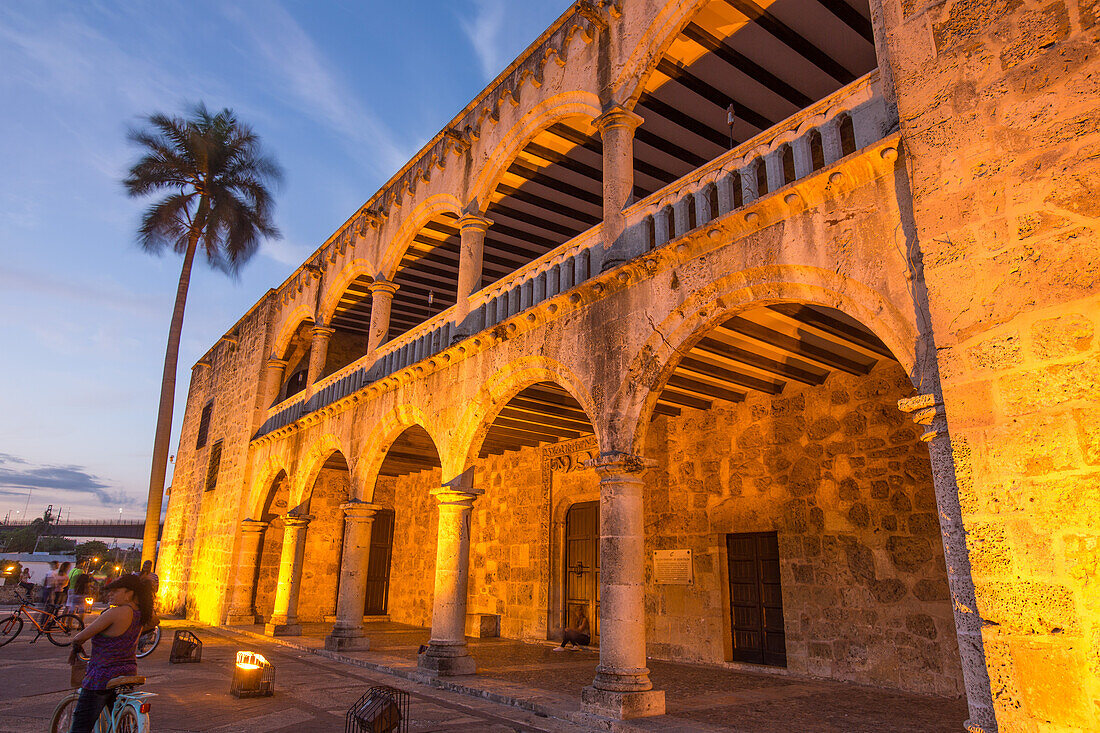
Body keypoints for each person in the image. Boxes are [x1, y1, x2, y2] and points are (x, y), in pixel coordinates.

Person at [66, 575, 153, 733]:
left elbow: (81, 636)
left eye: (115, 591)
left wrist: (76, 645)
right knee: (119, 722)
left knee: (80, 727)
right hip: (127, 673)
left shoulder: (116, 613)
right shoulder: (140, 614)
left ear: (129, 593)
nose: (109, 595)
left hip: (102, 676)